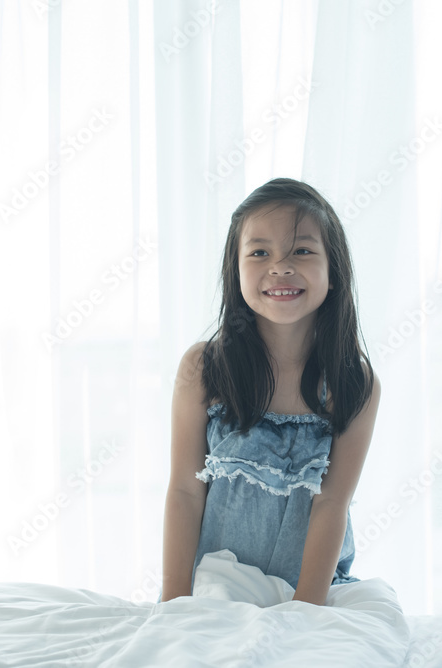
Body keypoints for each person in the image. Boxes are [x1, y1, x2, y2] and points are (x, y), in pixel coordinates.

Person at [160, 177, 381, 606]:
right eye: (259, 252)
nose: (280, 267)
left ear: (333, 271)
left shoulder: (354, 383)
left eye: (302, 251)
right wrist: (174, 603)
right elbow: (185, 491)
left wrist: (304, 612)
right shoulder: (204, 368)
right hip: (217, 587)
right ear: (236, 270)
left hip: (314, 590)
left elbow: (332, 504)